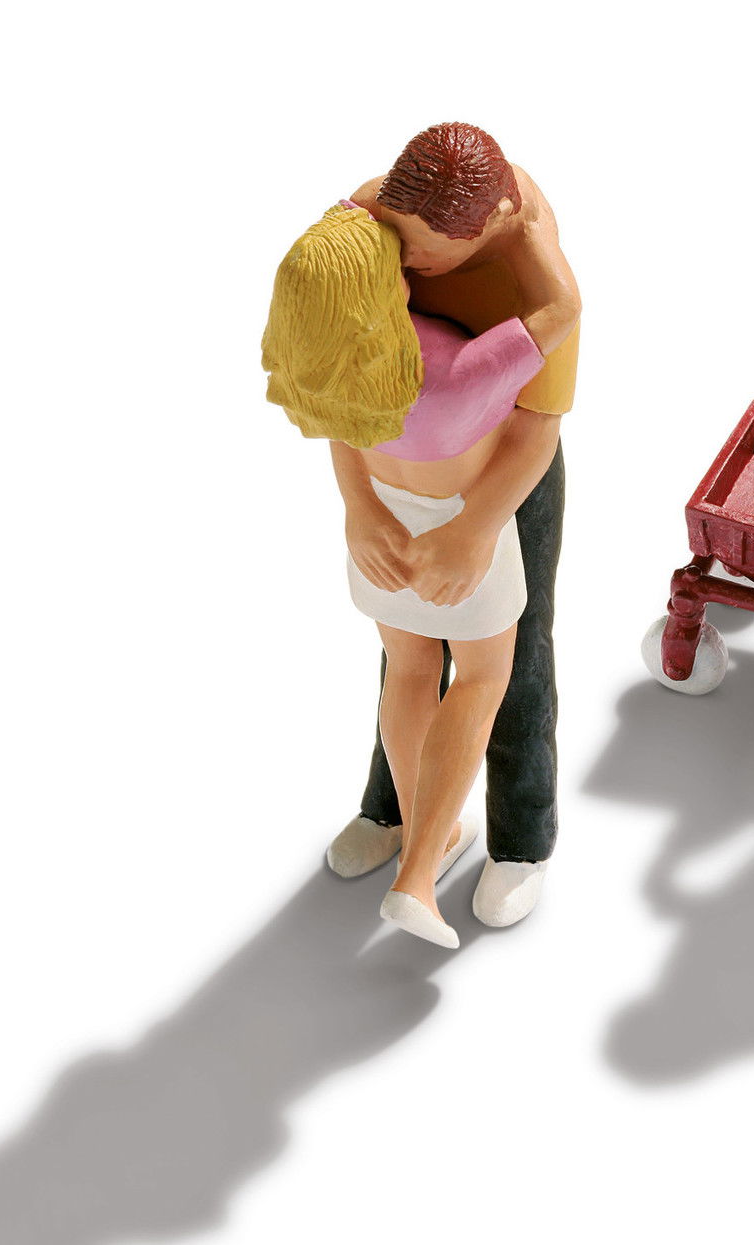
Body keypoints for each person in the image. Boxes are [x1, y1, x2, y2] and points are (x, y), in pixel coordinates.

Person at [263, 190, 575, 946]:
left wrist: (360, 508)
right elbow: (561, 311)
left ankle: (509, 840)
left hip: (389, 527)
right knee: (485, 678)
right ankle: (417, 863)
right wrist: (532, 227)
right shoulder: (457, 371)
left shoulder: (318, 362)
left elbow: (537, 431)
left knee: (413, 670)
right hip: (445, 523)